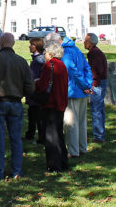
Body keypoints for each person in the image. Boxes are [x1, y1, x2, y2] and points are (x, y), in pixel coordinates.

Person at [0, 33, 34, 179]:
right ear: (12, 44)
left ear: (1, 44)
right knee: (16, 138)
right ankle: (16, 170)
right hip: (15, 102)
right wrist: (21, 93)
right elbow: (30, 86)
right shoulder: (21, 61)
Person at [45, 33, 92, 158]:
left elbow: (72, 71)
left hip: (72, 91)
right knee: (81, 122)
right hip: (81, 90)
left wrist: (84, 85)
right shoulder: (76, 49)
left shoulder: (65, 52)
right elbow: (86, 67)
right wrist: (88, 84)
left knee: (71, 123)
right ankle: (82, 147)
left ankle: (73, 150)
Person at [35, 43, 69, 172]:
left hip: (50, 103)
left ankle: (53, 165)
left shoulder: (49, 66)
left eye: (46, 53)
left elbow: (43, 86)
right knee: (59, 134)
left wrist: (36, 85)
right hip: (60, 103)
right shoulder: (62, 66)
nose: (44, 55)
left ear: (50, 54)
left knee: (50, 136)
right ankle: (63, 162)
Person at [84, 33, 108, 143]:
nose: (84, 42)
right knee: (99, 108)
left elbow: (97, 70)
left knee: (96, 109)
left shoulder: (94, 53)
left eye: (86, 41)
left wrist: (93, 83)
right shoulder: (96, 52)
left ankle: (98, 136)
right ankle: (101, 132)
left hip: (98, 84)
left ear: (91, 42)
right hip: (101, 82)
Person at [25, 38, 46, 144]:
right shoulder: (37, 59)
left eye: (32, 45)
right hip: (34, 91)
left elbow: (37, 77)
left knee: (37, 115)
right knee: (32, 113)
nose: (30, 46)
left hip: (36, 92)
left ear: (37, 46)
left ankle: (41, 137)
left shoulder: (38, 60)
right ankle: (30, 134)